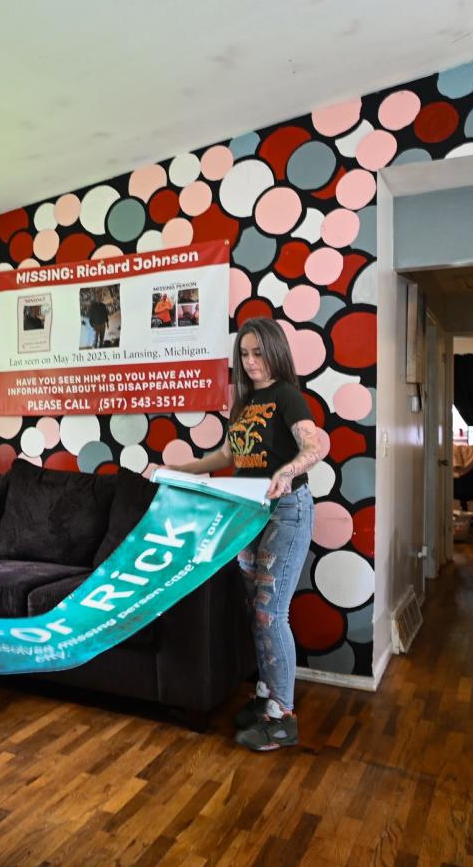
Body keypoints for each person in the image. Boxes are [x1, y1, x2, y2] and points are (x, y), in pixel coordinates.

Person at [168, 318, 327, 751]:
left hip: (286, 511)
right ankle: (266, 696)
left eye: (259, 353)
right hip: (248, 511)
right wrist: (176, 471)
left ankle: (284, 715)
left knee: (270, 613)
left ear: (275, 353)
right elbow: (226, 454)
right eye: (245, 354)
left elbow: (316, 447)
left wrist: (286, 472)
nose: (251, 362)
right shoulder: (243, 404)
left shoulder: (288, 397)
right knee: (253, 610)